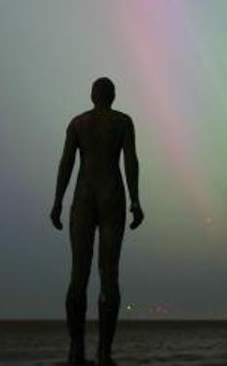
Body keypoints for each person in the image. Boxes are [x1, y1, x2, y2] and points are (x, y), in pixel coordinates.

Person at [50, 77, 144, 366]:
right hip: (112, 195)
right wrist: (136, 201)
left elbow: (66, 163)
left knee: (79, 274)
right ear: (112, 96)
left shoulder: (78, 123)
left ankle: (76, 351)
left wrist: (57, 201)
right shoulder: (122, 122)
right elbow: (131, 161)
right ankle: (104, 352)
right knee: (109, 273)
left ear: (92, 95)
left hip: (84, 197)